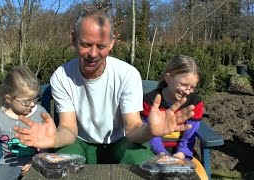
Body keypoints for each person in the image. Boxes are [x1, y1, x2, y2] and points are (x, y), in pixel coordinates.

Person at [14, 9, 195, 165]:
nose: (93, 54)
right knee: (64, 157)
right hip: (81, 143)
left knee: (139, 156)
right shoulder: (62, 76)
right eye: (86, 44)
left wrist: (149, 130)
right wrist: (53, 139)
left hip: (120, 142)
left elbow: (132, 129)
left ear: (112, 43)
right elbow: (68, 129)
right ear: (73, 38)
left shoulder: (127, 74)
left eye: (100, 46)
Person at [141, 55, 208, 179]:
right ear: (168, 78)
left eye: (192, 87)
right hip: (152, 151)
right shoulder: (150, 101)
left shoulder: (195, 103)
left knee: (202, 177)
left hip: (182, 154)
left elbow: (188, 138)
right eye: (183, 84)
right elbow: (149, 134)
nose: (187, 91)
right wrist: (162, 155)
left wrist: (179, 156)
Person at [0, 66, 48, 180]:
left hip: (38, 161)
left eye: (35, 99)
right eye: (26, 101)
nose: (32, 104)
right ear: (9, 99)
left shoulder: (41, 113)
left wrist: (36, 161)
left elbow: (48, 144)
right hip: (9, 164)